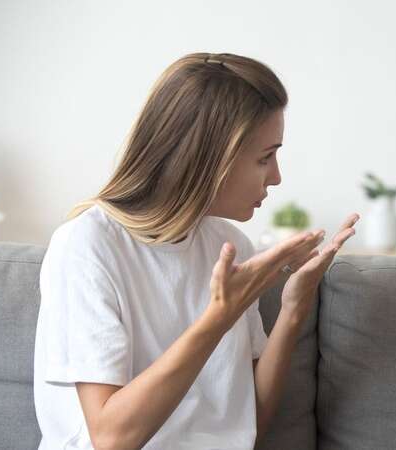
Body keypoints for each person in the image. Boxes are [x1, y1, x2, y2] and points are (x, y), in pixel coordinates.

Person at [33, 52, 358, 449]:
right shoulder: (87, 245)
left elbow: (248, 420)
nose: (276, 177)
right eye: (264, 158)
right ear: (208, 159)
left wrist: (293, 308)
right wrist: (218, 318)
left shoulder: (231, 246)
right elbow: (111, 438)